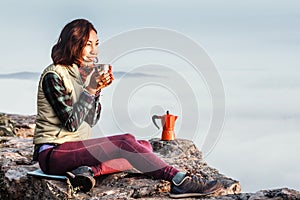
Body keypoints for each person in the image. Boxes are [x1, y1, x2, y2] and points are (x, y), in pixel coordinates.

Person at [33, 18, 222, 198]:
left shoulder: (82, 74)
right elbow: (72, 124)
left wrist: (96, 89)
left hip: (76, 149)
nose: (94, 50)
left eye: (96, 44)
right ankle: (179, 180)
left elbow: (91, 120)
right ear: (73, 44)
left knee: (143, 146)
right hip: (53, 154)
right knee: (125, 142)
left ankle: (89, 171)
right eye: (88, 44)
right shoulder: (54, 75)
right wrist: (91, 89)